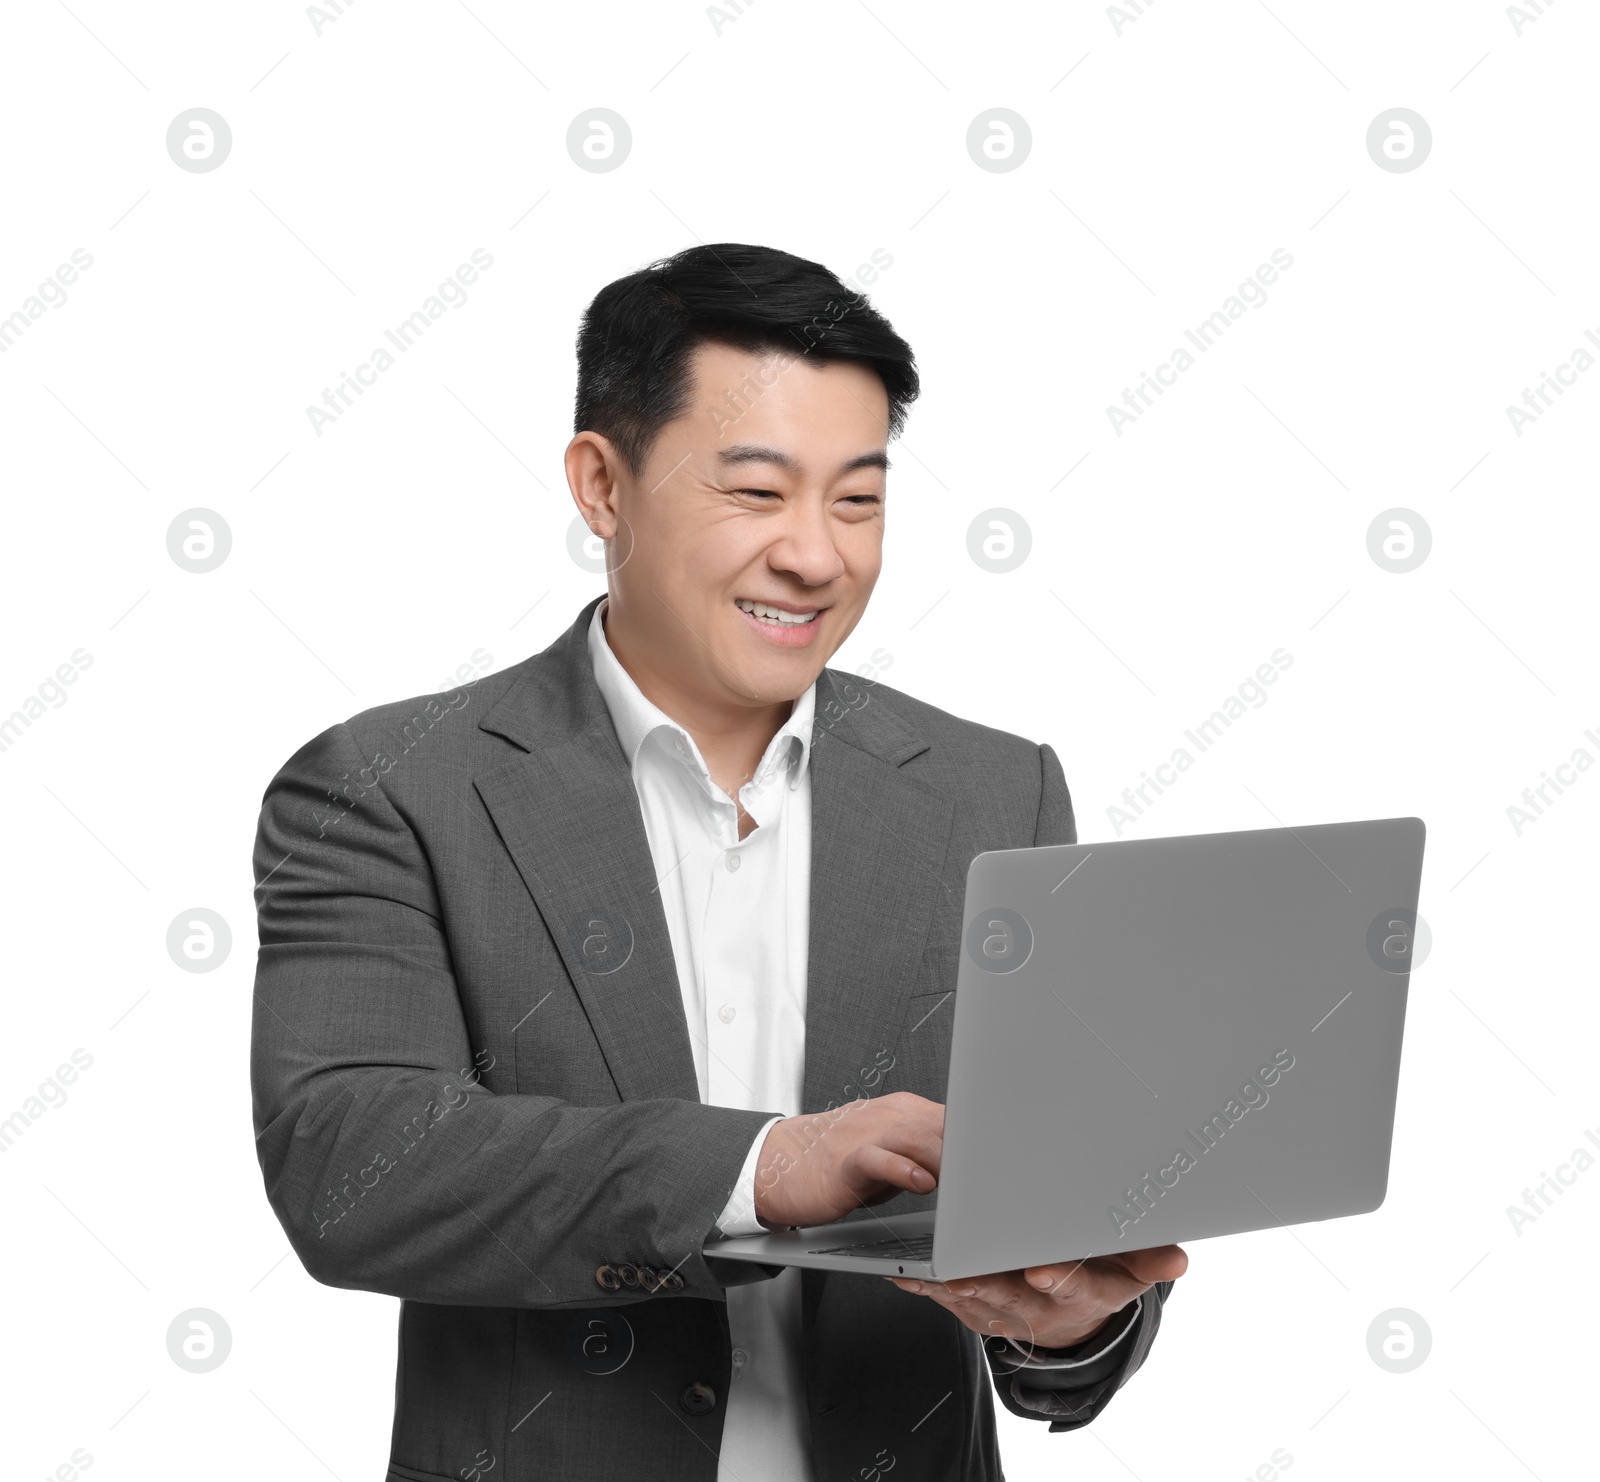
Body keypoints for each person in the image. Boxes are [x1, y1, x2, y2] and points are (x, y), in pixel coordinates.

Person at [250, 242, 1186, 1482]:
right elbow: (350, 1163)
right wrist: (763, 1165)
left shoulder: (991, 792)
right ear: (601, 483)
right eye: (755, 493)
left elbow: (1050, 1199)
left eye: (857, 499)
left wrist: (1078, 1321)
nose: (816, 555)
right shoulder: (390, 787)